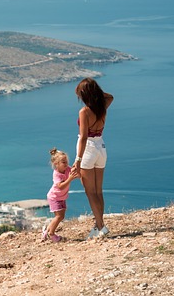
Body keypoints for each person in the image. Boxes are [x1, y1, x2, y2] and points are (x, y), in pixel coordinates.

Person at [71, 77, 114, 239]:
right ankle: (98, 225)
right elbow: (110, 96)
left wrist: (78, 160)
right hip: (101, 148)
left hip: (88, 150)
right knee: (98, 191)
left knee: (90, 192)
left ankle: (101, 226)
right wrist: (96, 91)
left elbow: (83, 137)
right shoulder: (103, 105)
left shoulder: (84, 112)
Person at [43, 147, 79, 242]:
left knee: (60, 216)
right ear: (56, 164)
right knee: (59, 216)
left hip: (61, 197)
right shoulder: (56, 174)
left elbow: (76, 173)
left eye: (66, 161)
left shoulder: (67, 169)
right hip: (54, 197)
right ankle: (51, 234)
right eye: (63, 162)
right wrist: (70, 179)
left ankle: (46, 232)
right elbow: (60, 186)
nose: (66, 163)